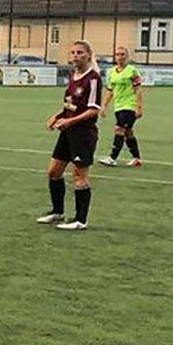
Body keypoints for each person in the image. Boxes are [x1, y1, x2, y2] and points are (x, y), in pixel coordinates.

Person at [40, 41, 102, 231]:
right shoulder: (73, 76)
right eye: (73, 52)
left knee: (79, 175)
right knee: (54, 171)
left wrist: (69, 122)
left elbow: (93, 111)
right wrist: (57, 116)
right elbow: (70, 105)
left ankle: (80, 220)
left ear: (88, 55)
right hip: (67, 132)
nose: (76, 55)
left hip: (83, 134)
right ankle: (58, 212)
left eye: (80, 53)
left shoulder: (93, 79)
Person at [99, 46, 144, 168]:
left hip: (129, 105)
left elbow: (138, 89)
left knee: (119, 129)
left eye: (122, 54)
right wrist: (103, 105)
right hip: (118, 106)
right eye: (118, 54)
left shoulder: (132, 71)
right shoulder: (112, 72)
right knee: (128, 133)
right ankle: (136, 159)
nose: (120, 57)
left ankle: (112, 158)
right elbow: (110, 90)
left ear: (127, 57)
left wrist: (138, 107)